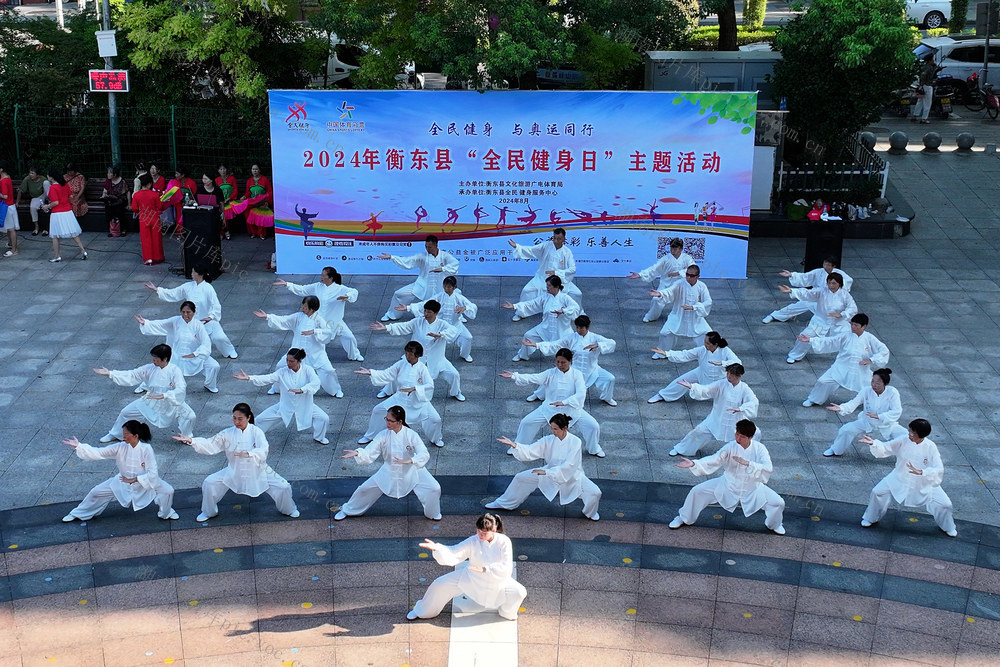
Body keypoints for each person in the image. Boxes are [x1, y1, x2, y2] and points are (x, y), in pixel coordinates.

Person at [174, 403, 299, 522]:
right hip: (234, 470)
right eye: (234, 418)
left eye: (240, 419)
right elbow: (210, 444)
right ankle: (208, 511)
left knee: (283, 486)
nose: (236, 422)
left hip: (259, 471)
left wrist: (249, 454)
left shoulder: (257, 432)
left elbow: (263, 449)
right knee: (209, 482)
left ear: (248, 417)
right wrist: (192, 441)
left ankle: (289, 509)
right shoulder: (227, 433)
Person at [669, 419, 786, 535]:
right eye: (737, 434)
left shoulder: (760, 448)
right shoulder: (730, 447)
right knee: (697, 491)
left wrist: (748, 463)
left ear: (750, 437)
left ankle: (775, 524)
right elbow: (715, 459)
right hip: (728, 484)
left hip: (753, 488)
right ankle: (684, 518)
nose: (738, 439)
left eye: (742, 436)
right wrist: (694, 464)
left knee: (778, 503)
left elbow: (768, 467)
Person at [408, 513, 527, 621]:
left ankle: (508, 613)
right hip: (472, 576)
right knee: (439, 584)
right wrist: (438, 548)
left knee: (519, 592)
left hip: (497, 579)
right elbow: (455, 551)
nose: (480, 534)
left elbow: (506, 565)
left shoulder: (504, 541)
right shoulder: (473, 541)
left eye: (484, 532)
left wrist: (485, 569)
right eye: (479, 531)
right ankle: (422, 611)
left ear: (494, 530)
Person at [487, 413, 602, 520]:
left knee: (595, 492)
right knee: (520, 478)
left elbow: (570, 465)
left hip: (573, 476)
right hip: (549, 471)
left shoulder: (575, 442)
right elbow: (531, 449)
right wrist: (515, 445)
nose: (553, 431)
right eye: (551, 428)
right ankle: (504, 503)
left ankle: (590, 512)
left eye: (555, 429)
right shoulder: (549, 440)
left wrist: (547, 473)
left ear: (565, 428)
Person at [335, 405, 442, 521]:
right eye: (386, 419)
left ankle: (433, 513)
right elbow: (370, 450)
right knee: (364, 489)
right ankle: (347, 510)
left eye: (391, 420)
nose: (387, 423)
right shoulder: (383, 435)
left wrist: (411, 460)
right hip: (389, 469)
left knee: (434, 488)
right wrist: (358, 453)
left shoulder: (411, 435)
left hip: (412, 469)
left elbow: (424, 453)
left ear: (400, 421)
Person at [60, 420, 179, 522]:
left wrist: (136, 479)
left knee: (168, 491)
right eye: (123, 433)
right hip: (123, 481)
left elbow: (153, 472)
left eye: (126, 434)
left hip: (146, 482)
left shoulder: (146, 449)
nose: (123, 436)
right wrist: (79, 446)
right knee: (96, 492)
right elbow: (99, 452)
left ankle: (166, 512)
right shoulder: (120, 447)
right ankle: (79, 513)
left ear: (135, 436)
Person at [499, 348, 604, 458]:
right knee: (527, 422)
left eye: (563, 362)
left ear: (570, 361)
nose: (560, 364)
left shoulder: (577, 374)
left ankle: (594, 448)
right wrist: (515, 376)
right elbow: (534, 377)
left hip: (571, 409)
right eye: (557, 362)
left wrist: (564, 402)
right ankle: (518, 447)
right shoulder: (550, 373)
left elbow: (581, 393)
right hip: (550, 409)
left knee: (593, 426)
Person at [859, 418, 956, 536]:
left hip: (924, 482)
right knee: (877, 492)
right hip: (899, 477)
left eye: (912, 432)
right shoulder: (903, 440)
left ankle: (948, 526)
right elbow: (886, 448)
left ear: (921, 435)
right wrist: (874, 443)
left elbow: (938, 468)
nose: (909, 434)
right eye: (909, 430)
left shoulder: (930, 447)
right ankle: (871, 517)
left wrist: (921, 472)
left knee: (945, 504)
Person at [93, 344, 197, 443]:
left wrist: (165, 395)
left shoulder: (175, 370)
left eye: (156, 358)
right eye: (153, 358)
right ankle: (116, 434)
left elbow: (181, 388)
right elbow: (132, 374)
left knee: (190, 416)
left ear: (165, 359)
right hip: (151, 400)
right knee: (126, 413)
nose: (153, 361)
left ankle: (186, 436)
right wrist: (111, 374)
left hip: (172, 401)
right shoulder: (149, 368)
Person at [234, 348, 331, 445]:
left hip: (305, 405)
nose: (288, 363)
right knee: (260, 419)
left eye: (292, 361)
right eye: (287, 360)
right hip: (285, 405)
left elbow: (316, 381)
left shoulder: (307, 370)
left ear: (299, 361)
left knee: (323, 418)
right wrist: (249, 378)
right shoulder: (282, 372)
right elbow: (268, 378)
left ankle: (319, 437)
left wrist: (302, 390)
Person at [372, 299, 464, 401]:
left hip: (437, 359)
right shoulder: (418, 322)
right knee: (399, 370)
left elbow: (453, 330)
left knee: (454, 374)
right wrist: (386, 327)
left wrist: (441, 334)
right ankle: (387, 390)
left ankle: (456, 392)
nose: (426, 314)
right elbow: (404, 326)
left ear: (436, 313)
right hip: (416, 358)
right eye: (425, 311)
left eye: (429, 312)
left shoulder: (442, 324)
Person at [355, 342, 444, 447]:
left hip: (418, 402)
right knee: (378, 410)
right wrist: (371, 372)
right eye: (406, 353)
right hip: (400, 399)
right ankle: (370, 436)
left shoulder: (422, 368)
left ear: (418, 355)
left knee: (436, 419)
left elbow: (429, 385)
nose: (408, 356)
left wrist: (415, 388)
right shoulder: (401, 364)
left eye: (411, 354)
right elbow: (387, 373)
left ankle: (436, 438)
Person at [253, 296, 343, 398]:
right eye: (303, 306)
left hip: (316, 353)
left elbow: (328, 332)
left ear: (312, 309)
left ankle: (335, 390)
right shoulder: (299, 317)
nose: (302, 308)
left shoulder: (319, 319)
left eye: (305, 307)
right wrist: (268, 317)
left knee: (328, 371)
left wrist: (315, 331)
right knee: (280, 366)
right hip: (297, 352)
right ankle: (277, 388)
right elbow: (284, 320)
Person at [145, 263, 239, 359]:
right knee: (181, 338)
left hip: (208, 321)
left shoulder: (208, 288)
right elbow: (174, 293)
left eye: (193, 272)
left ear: (199, 274)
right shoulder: (188, 286)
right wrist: (157, 289)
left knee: (219, 337)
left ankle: (229, 351)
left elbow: (216, 305)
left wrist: (211, 317)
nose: (192, 274)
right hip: (192, 322)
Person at [799, 313, 890, 407]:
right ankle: (814, 399)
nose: (853, 327)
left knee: (873, 388)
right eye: (852, 324)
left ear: (863, 326)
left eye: (856, 325)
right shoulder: (845, 336)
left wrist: (871, 359)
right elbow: (830, 341)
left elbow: (884, 350)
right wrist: (811, 340)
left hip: (861, 371)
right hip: (841, 367)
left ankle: (878, 404)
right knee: (823, 381)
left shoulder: (870, 338)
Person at [275, 267, 364, 362]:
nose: (321, 277)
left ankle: (354, 355)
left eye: (323, 275)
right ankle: (302, 356)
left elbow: (354, 292)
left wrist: (347, 296)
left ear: (331, 278)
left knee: (349, 337)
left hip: (334, 321)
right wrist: (287, 284)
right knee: (309, 338)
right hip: (318, 320)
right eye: (321, 274)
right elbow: (302, 289)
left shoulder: (340, 289)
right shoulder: (317, 286)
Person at [525, 314, 617, 406]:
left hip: (592, 369)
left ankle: (607, 397)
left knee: (610, 378)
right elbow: (555, 344)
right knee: (553, 377)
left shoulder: (595, 338)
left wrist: (598, 345)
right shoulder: (571, 337)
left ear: (587, 327)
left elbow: (612, 343)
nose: (578, 330)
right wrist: (537, 345)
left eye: (581, 328)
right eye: (577, 327)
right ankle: (537, 395)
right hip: (575, 369)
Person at [670, 363, 758, 457]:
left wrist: (741, 408)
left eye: (732, 375)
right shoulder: (721, 384)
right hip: (717, 418)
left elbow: (753, 401)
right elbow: (707, 389)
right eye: (728, 373)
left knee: (755, 433)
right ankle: (681, 449)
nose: (728, 376)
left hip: (736, 421)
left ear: (739, 377)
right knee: (699, 431)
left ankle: (747, 453)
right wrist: (693, 387)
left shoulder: (744, 388)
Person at [135, 301, 220, 393]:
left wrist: (195, 354)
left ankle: (210, 385)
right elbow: (161, 324)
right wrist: (146, 323)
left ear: (194, 313)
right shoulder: (175, 321)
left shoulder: (198, 325)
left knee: (214, 366)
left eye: (188, 312)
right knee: (160, 369)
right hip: (176, 355)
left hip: (195, 355)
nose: (185, 315)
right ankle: (144, 386)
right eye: (183, 312)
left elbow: (206, 342)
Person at [824, 368, 905, 457]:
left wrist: (879, 416)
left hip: (887, 424)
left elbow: (897, 410)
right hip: (867, 421)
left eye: (878, 383)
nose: (874, 385)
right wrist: (841, 407)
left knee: (905, 436)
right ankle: (835, 449)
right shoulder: (866, 390)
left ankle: (908, 457)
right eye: (873, 381)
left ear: (885, 384)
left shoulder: (892, 392)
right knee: (846, 429)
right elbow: (854, 402)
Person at [780, 272, 857, 364]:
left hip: (838, 324)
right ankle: (794, 355)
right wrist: (792, 291)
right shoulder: (821, 291)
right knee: (804, 336)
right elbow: (808, 293)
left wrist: (842, 314)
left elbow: (853, 308)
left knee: (850, 339)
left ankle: (851, 358)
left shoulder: (845, 295)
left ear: (839, 284)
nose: (831, 285)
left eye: (834, 283)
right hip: (820, 322)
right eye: (829, 283)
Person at [378, 235, 459, 321]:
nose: (427, 249)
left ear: (436, 245)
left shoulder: (445, 256)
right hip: (423, 285)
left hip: (441, 287)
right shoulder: (422, 256)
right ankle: (392, 314)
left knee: (455, 296)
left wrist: (443, 269)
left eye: (430, 247)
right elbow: (408, 261)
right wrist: (392, 257)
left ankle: (458, 316)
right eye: (426, 246)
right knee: (399, 294)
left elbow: (455, 264)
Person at [503, 275, 581, 362]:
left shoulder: (565, 298)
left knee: (567, 346)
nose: (547, 288)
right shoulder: (546, 296)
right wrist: (515, 306)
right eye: (547, 285)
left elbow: (575, 307)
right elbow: (532, 304)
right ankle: (522, 355)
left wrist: (564, 311)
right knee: (528, 335)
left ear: (556, 286)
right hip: (545, 327)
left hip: (561, 330)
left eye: (549, 286)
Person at [649, 331, 741, 404]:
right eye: (705, 342)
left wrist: (722, 363)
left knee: (729, 396)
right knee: (681, 381)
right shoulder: (702, 350)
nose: (705, 345)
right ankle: (663, 395)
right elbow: (686, 354)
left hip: (719, 379)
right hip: (701, 372)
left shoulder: (725, 351)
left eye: (708, 343)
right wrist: (667, 353)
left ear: (715, 344)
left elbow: (738, 362)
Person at [507, 228, 583, 313]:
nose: (556, 241)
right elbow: (532, 250)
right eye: (554, 238)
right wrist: (517, 246)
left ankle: (578, 313)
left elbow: (572, 269)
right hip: (542, 277)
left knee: (577, 293)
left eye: (559, 239)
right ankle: (521, 313)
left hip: (560, 280)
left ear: (564, 239)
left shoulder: (567, 252)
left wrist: (557, 273)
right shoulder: (546, 246)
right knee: (527, 291)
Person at [407, 275, 478, 363]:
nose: (446, 289)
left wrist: (464, 308)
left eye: (448, 287)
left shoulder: (459, 297)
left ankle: (465, 354)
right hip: (440, 326)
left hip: (455, 325)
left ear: (454, 287)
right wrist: (408, 307)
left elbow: (472, 306)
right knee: (427, 339)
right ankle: (422, 355)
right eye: (444, 286)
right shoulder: (439, 297)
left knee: (468, 337)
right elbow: (426, 303)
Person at [762, 257, 853, 324]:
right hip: (816, 296)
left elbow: (848, 282)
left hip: (831, 301)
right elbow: (805, 277)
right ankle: (774, 315)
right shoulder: (819, 272)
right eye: (824, 264)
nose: (825, 266)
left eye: (828, 265)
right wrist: (792, 275)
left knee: (833, 319)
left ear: (834, 266)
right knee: (801, 304)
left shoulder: (840, 274)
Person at [650, 264, 711, 357]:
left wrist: (695, 307)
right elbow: (670, 291)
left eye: (692, 276)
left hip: (695, 318)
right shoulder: (680, 283)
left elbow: (708, 301)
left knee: (707, 335)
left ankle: (708, 353)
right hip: (678, 315)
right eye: (687, 274)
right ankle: (662, 353)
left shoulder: (702, 286)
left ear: (698, 276)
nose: (689, 277)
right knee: (665, 333)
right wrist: (660, 294)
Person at [627, 238, 694, 323]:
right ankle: (651, 316)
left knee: (687, 300)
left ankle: (681, 317)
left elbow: (693, 269)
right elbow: (654, 269)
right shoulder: (665, 259)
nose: (672, 250)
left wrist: (678, 273)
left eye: (675, 248)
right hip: (666, 285)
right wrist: (640, 274)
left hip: (680, 286)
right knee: (656, 299)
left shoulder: (687, 258)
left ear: (681, 249)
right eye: (671, 248)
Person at [40, 168, 87, 262]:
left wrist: (47, 206)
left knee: (54, 235)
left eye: (48, 175)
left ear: (51, 177)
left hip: (57, 213)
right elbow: (71, 196)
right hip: (68, 212)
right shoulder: (65, 185)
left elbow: (55, 202)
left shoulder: (53, 187)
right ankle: (83, 251)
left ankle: (57, 256)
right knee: (74, 233)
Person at [131, 173, 165, 265]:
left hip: (143, 219)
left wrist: (140, 213)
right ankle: (158, 257)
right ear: (150, 184)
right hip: (154, 219)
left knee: (145, 239)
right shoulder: (154, 195)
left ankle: (148, 258)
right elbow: (160, 206)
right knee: (156, 238)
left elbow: (134, 207)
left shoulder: (136, 195)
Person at [14, 166, 50, 237]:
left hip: (44, 195)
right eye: (30, 173)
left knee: (46, 183)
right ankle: (36, 227)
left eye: (32, 173)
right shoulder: (27, 179)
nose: (30, 175)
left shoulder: (43, 179)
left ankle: (49, 201)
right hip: (36, 197)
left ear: (38, 175)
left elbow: (48, 188)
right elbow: (20, 190)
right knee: (33, 207)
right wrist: (17, 202)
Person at [242, 163, 274, 239]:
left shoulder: (264, 179)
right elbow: (248, 192)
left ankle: (261, 233)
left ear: (259, 170)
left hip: (262, 202)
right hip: (252, 202)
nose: (254, 171)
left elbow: (269, 192)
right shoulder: (249, 180)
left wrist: (267, 202)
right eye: (253, 169)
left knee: (261, 215)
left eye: (256, 169)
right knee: (247, 213)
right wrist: (244, 196)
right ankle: (252, 232)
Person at [101, 165, 130, 237]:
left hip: (120, 200)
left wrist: (129, 204)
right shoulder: (108, 181)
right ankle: (111, 229)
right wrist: (104, 196)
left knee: (119, 211)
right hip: (111, 200)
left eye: (109, 173)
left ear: (114, 175)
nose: (108, 174)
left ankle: (123, 229)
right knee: (108, 210)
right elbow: (105, 191)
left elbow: (127, 192)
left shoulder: (122, 182)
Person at [912, 54, 938, 125]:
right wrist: (923, 82)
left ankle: (915, 115)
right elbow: (924, 74)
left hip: (922, 85)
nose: (933, 61)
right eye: (932, 59)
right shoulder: (929, 67)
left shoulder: (924, 66)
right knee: (927, 102)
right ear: (929, 61)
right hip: (927, 85)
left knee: (920, 101)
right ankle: (924, 118)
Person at [215, 163, 238, 240]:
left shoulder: (232, 179)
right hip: (221, 202)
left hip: (230, 202)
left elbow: (235, 190)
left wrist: (229, 198)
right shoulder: (217, 180)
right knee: (221, 213)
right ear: (218, 171)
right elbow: (216, 192)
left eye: (224, 169)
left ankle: (223, 232)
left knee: (225, 214)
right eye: (221, 169)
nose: (223, 171)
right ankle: (225, 232)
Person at [0, 160, 17, 256]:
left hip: (6, 206)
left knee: (10, 229)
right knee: (9, 228)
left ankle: (14, 250)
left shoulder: (3, 181)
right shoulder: (7, 178)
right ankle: (11, 245)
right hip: (9, 206)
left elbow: (5, 196)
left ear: (1, 169)